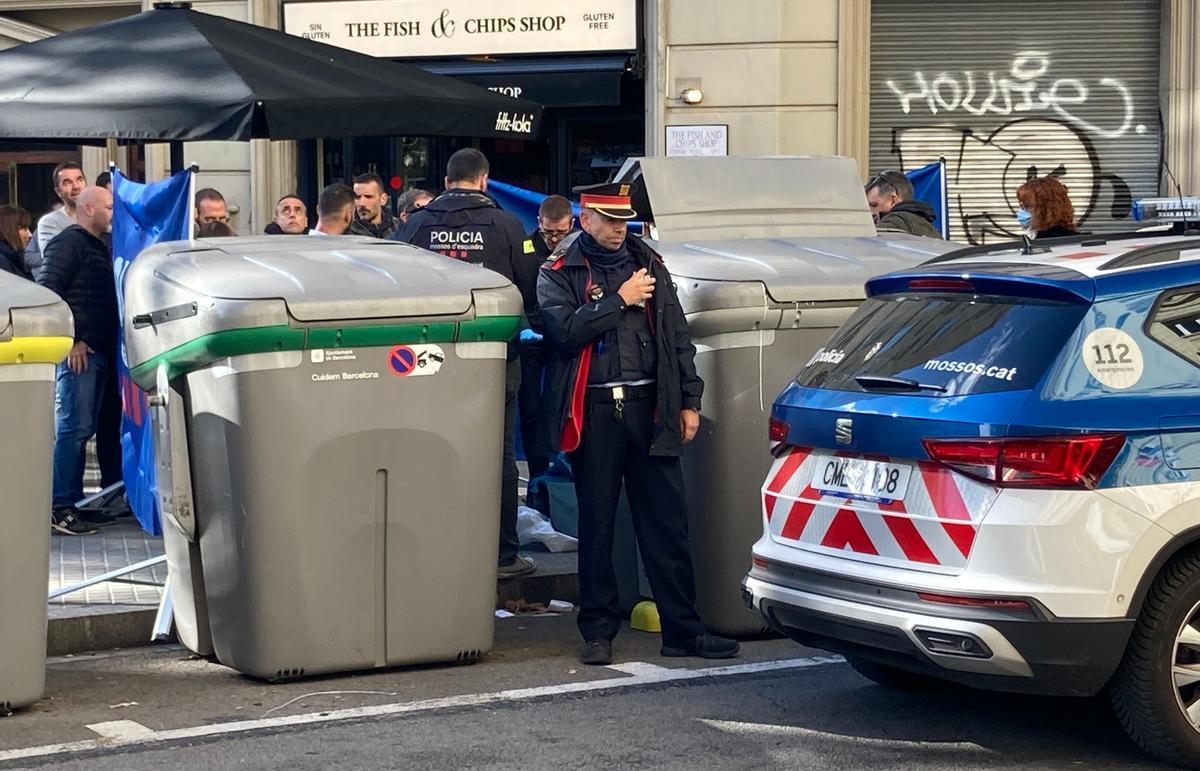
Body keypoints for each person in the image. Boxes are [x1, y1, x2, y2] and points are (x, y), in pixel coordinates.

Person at [537, 182, 740, 666]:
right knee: (598, 525)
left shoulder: (649, 262)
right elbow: (564, 333)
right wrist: (619, 300)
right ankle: (598, 632)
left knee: (667, 523)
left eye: (623, 220)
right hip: (596, 410)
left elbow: (676, 336)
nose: (617, 229)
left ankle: (683, 631)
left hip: (652, 406)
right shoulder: (559, 270)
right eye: (608, 220)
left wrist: (689, 400)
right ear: (585, 219)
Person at [395, 148, 539, 579]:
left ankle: (433, 546)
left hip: (425, 361)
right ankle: (501, 555)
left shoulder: (414, 226)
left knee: (426, 449)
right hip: (493, 357)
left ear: (446, 177)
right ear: (483, 179)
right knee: (497, 453)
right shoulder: (510, 226)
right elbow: (530, 291)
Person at [37, 186, 119, 536]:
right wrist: (70, 341)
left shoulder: (96, 246)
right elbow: (48, 290)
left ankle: (74, 502)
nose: (114, 213)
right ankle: (59, 506)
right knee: (73, 428)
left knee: (84, 427)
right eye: (109, 207)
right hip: (80, 353)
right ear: (88, 209)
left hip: (98, 351)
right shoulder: (69, 243)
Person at [519, 195, 574, 502]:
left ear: (572, 224)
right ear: (539, 223)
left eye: (560, 233)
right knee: (530, 407)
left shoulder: (577, 250)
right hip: (533, 333)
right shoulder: (526, 249)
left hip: (563, 334)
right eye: (548, 232)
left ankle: (558, 466)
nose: (553, 239)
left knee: (559, 401)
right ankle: (538, 469)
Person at [865, 170, 940, 238]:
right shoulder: (923, 223)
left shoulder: (896, 222)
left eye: (874, 205)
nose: (871, 212)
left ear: (893, 200)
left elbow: (865, 244)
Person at [36, 163, 86, 253]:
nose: (76, 186)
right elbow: (55, 258)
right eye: (68, 183)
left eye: (79, 180)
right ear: (58, 191)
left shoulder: (102, 216)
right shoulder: (49, 222)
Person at [349, 173, 400, 239]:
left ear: (383, 199)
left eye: (368, 197)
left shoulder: (399, 228)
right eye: (357, 197)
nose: (361, 203)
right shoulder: (345, 231)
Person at [0, 205, 34, 279]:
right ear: (8, 229)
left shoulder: (15, 257)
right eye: (24, 228)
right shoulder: (4, 261)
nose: (30, 234)